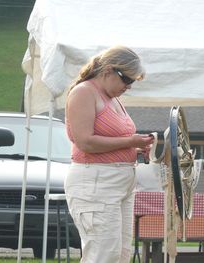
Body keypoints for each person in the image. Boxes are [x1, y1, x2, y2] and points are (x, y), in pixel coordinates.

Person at [64, 45, 154, 263]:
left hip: (119, 184)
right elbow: (85, 142)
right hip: (95, 183)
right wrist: (130, 141)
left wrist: (136, 146)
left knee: (121, 254)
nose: (129, 87)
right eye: (127, 80)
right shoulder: (84, 92)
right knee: (103, 254)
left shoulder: (113, 98)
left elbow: (115, 140)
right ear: (109, 71)